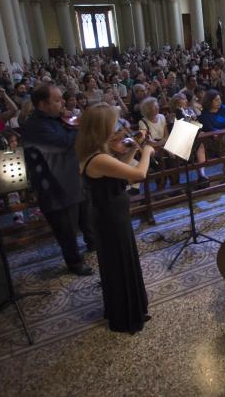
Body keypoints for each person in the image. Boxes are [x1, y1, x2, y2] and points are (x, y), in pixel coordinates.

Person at [77, 103, 155, 333]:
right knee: (120, 265)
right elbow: (139, 174)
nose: (119, 128)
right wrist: (147, 152)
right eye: (114, 124)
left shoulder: (100, 155)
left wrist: (134, 146)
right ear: (102, 129)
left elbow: (119, 169)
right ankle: (126, 318)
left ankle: (131, 310)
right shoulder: (98, 158)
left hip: (113, 215)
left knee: (123, 262)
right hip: (110, 219)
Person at [21, 84, 95, 276]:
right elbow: (62, 144)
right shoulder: (35, 126)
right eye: (57, 100)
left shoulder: (55, 119)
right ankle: (75, 262)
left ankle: (92, 244)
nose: (63, 102)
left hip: (72, 178)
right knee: (66, 229)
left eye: (62, 98)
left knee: (85, 217)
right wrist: (78, 126)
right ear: (42, 104)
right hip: (54, 187)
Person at [198, 90, 225, 175]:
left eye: (220, 99)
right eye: (216, 100)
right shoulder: (204, 115)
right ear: (209, 101)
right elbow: (210, 129)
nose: (219, 101)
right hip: (213, 138)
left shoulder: (223, 109)